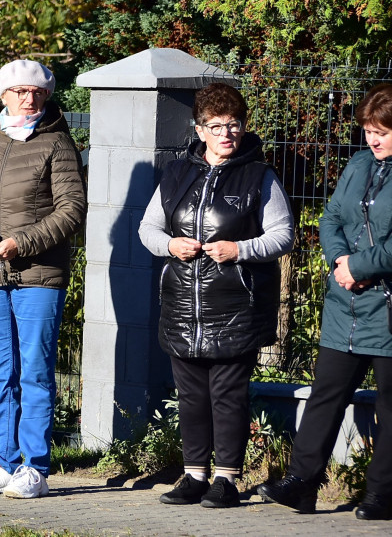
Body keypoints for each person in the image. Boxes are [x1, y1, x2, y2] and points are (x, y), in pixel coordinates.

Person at [138, 82, 294, 508]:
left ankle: (225, 479)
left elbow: (283, 235)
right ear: (199, 129)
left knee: (227, 394)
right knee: (190, 395)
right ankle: (193, 476)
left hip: (234, 305)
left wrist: (239, 250)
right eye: (217, 126)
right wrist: (171, 245)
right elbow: (148, 229)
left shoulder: (260, 175)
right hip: (183, 305)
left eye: (235, 124)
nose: (227, 133)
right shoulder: (175, 174)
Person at [0, 60, 86, 499]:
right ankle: (1, 463)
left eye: (37, 93)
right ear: (3, 95)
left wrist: (21, 243)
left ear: (46, 97)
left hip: (39, 276)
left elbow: (71, 211)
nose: (29, 99)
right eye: (20, 92)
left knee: (36, 373)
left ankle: (34, 468)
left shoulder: (58, 145)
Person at [258, 83, 392, 521]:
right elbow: (331, 215)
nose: (373, 139)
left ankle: (381, 494)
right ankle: (302, 482)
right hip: (345, 308)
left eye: (383, 131)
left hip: (387, 309)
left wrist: (360, 266)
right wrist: (338, 259)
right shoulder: (357, 164)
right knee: (325, 395)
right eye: (369, 130)